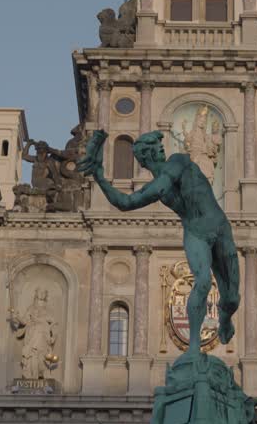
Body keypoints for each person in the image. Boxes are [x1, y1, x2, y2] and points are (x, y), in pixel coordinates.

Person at [78, 129, 239, 355]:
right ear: (148, 155)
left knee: (232, 298)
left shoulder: (178, 162)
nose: (162, 148)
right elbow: (125, 203)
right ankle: (194, 347)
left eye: (160, 145)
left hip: (220, 226)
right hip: (196, 233)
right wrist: (100, 178)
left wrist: (100, 175)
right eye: (157, 146)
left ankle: (225, 317)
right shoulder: (159, 187)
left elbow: (141, 195)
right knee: (203, 282)